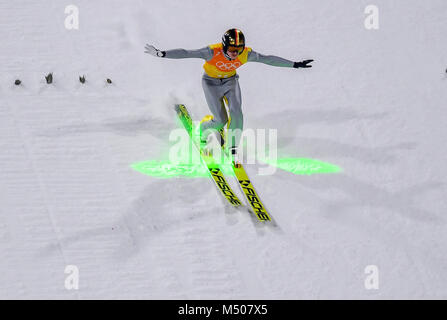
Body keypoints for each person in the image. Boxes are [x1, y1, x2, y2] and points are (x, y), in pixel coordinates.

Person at [145, 28, 313, 164]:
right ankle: (202, 131)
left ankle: (232, 148)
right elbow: (187, 53)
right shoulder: (212, 51)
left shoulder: (246, 54)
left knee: (237, 113)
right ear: (225, 46)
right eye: (232, 49)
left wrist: (294, 64)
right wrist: (162, 53)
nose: (235, 53)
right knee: (220, 121)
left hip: (231, 83)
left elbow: (268, 59)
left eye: (238, 50)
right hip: (211, 84)